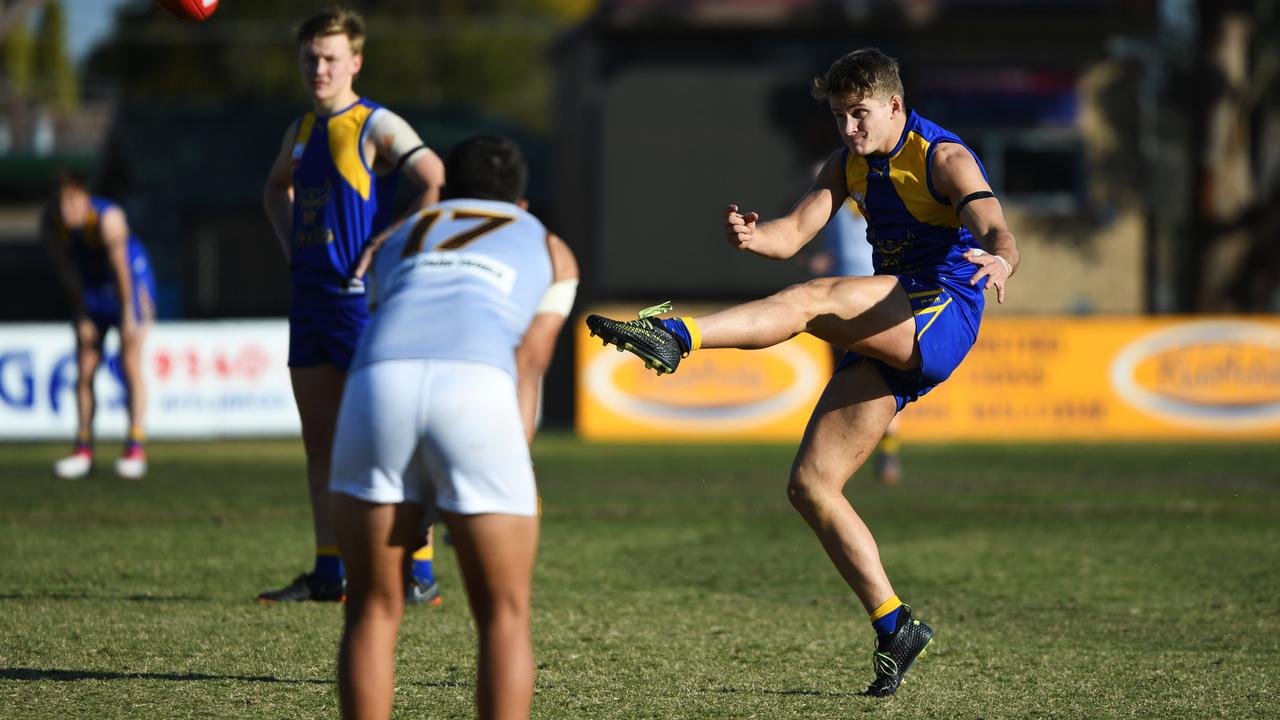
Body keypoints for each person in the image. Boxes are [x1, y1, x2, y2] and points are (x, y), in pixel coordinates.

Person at [586, 48, 1020, 697]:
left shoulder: (943, 156)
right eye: (841, 115)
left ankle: (675, 332)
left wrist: (1004, 261)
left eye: (860, 114)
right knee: (812, 485)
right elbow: (791, 235)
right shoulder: (848, 163)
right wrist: (751, 237)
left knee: (812, 301)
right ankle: (894, 625)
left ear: (895, 105)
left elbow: (995, 227)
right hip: (891, 317)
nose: (849, 128)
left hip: (943, 308)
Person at [330, 135, 578, 720]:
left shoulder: (397, 235)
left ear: (448, 188)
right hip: (477, 387)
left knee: (370, 608)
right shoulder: (548, 243)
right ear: (520, 201)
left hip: (377, 383)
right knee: (504, 616)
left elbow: (381, 314)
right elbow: (530, 362)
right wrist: (514, 459)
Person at [259, 7, 445, 605]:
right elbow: (273, 192)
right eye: (311, 57)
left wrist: (387, 242)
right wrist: (293, 251)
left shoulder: (374, 124)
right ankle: (329, 573)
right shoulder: (302, 130)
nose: (319, 68)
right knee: (321, 444)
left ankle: (418, 575)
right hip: (310, 302)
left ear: (355, 62)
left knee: (392, 437)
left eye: (331, 58)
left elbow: (435, 177)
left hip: (361, 305)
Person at [42, 172, 155, 481]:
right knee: (85, 367)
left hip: (130, 283)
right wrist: (81, 313)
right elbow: (66, 272)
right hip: (92, 290)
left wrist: (129, 313)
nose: (66, 211)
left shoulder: (109, 219)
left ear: (84, 197)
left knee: (129, 361)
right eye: (60, 204)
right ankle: (83, 449)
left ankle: (135, 445)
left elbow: (121, 268)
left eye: (71, 202)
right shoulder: (52, 225)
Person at [806, 190, 903, 486]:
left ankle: (888, 452)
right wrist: (815, 257)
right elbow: (798, 223)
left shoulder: (884, 184)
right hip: (836, 293)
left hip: (875, 293)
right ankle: (835, 457)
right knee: (839, 379)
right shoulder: (833, 183)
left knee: (881, 379)